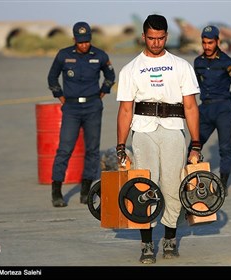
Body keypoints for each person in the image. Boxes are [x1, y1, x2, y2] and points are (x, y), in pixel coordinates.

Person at [116, 14, 202, 264]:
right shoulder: (130, 69)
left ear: (166, 36)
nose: (156, 43)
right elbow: (124, 110)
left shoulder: (181, 66)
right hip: (142, 130)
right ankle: (146, 245)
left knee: (173, 186)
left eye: (161, 38)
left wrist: (196, 144)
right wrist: (121, 146)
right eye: (151, 38)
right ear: (144, 36)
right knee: (145, 186)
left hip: (173, 129)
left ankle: (170, 239)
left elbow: (191, 107)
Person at [47, 21, 115, 207]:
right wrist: (60, 96)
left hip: (93, 107)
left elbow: (110, 76)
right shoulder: (64, 55)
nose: (84, 45)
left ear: (90, 39)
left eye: (86, 41)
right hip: (71, 109)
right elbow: (52, 77)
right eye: (80, 41)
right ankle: (57, 192)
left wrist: (102, 93)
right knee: (65, 149)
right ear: (74, 39)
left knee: (92, 150)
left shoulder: (100, 55)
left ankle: (85, 192)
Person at [188, 25, 231, 196]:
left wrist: (228, 104)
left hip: (222, 108)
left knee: (224, 148)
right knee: (194, 146)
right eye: (204, 42)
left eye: (210, 42)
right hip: (204, 108)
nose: (207, 46)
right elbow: (194, 84)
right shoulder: (198, 62)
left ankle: (223, 184)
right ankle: (189, 181)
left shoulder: (228, 63)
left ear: (217, 41)